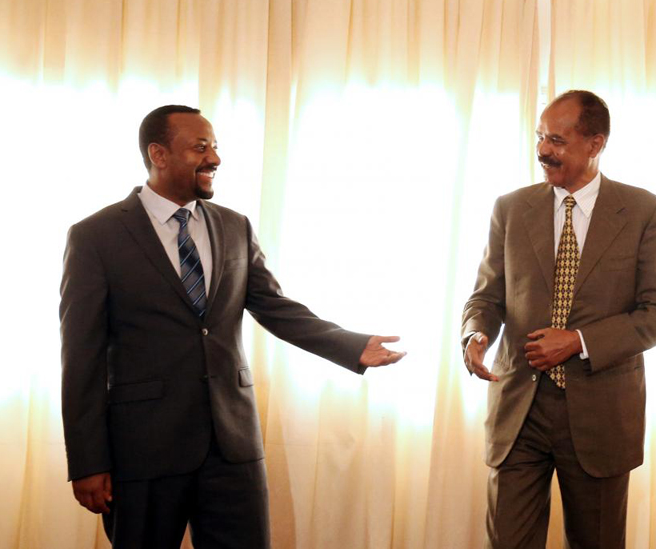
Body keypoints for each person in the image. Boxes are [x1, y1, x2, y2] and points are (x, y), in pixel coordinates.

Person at [60, 105, 405, 549]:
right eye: (200, 147)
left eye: (216, 147)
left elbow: (274, 307)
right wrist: (88, 461)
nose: (215, 159)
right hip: (143, 449)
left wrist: (351, 346)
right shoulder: (96, 236)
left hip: (232, 445)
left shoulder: (234, 226)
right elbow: (80, 355)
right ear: (158, 155)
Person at [462, 90, 656, 548]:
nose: (543, 150)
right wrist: (476, 332)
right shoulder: (510, 208)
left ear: (595, 144)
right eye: (540, 137)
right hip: (519, 408)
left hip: (600, 414)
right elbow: (488, 295)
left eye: (557, 140)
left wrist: (578, 340)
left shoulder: (645, 213)